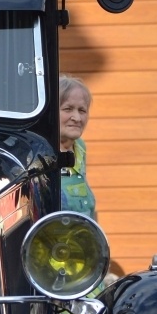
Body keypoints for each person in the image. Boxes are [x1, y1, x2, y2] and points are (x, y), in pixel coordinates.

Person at [59, 74, 96, 219]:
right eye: (68, 109)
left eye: (82, 110)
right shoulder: (41, 154)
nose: (77, 118)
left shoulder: (80, 147)